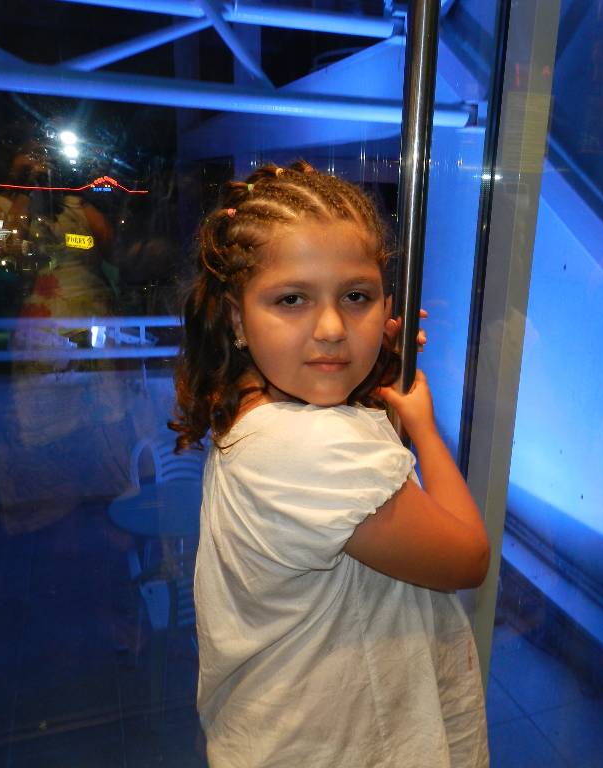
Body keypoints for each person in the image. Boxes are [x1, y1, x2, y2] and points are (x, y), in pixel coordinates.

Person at [169, 160, 490, 767]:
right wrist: (423, 426)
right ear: (237, 318)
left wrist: (368, 378)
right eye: (292, 299)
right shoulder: (306, 448)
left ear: (385, 302)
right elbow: (468, 559)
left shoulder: (256, 409)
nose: (333, 328)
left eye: (356, 297)